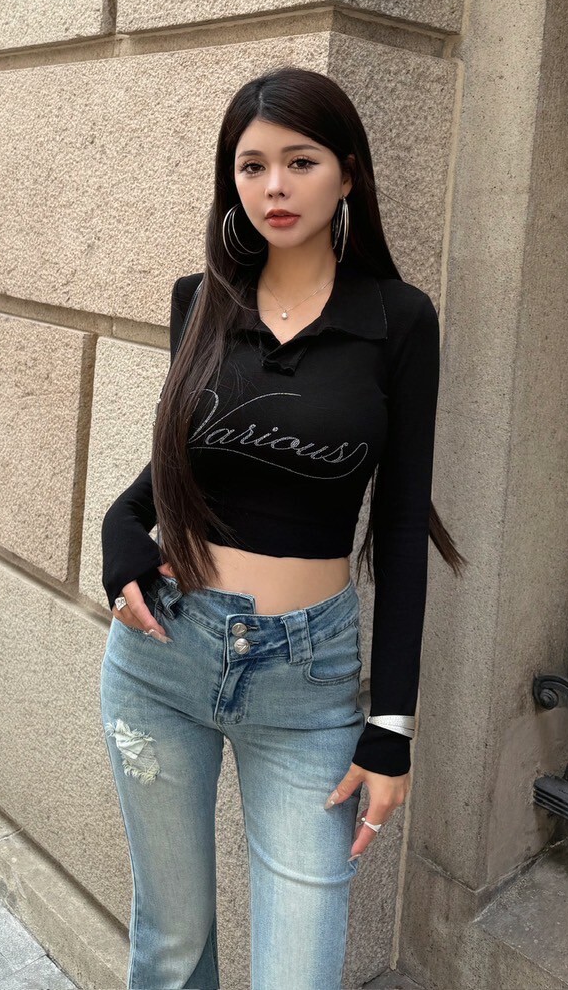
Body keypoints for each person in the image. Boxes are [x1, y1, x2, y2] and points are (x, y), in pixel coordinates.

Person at [99, 64, 467, 990]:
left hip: (309, 683)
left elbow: (399, 531)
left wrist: (391, 725)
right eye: (252, 165)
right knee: (172, 946)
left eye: (299, 162)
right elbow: (175, 469)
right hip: (163, 655)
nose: (274, 186)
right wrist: (118, 527)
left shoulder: (399, 322)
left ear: (348, 172)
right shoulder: (200, 301)